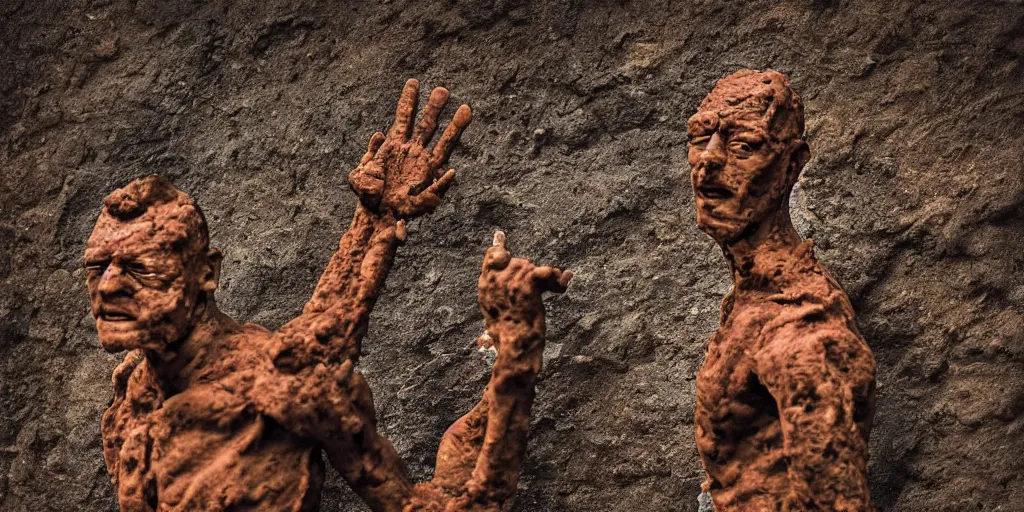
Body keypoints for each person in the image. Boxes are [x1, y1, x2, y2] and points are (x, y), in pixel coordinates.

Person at [85, 79, 570, 511]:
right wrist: (372, 222)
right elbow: (328, 320)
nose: (108, 286)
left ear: (206, 273)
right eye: (96, 267)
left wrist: (518, 350)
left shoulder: (286, 390)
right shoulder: (131, 396)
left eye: (138, 267)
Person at [688, 69, 876, 511]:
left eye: (743, 146)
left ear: (791, 165)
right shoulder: (753, 295)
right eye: (700, 137)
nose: (709, 160)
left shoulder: (800, 332)